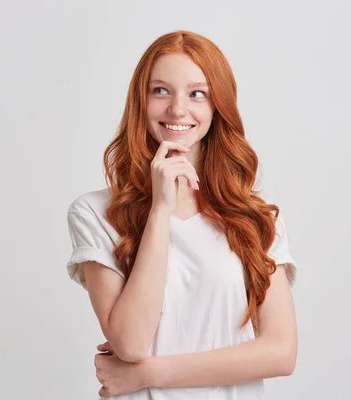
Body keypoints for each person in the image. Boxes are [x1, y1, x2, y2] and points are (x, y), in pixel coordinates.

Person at [65, 30, 297, 399]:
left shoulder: (256, 218)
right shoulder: (95, 213)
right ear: (140, 102)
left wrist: (146, 375)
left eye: (197, 93)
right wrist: (160, 211)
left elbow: (281, 353)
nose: (177, 109)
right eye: (160, 91)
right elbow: (131, 343)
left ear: (217, 106)